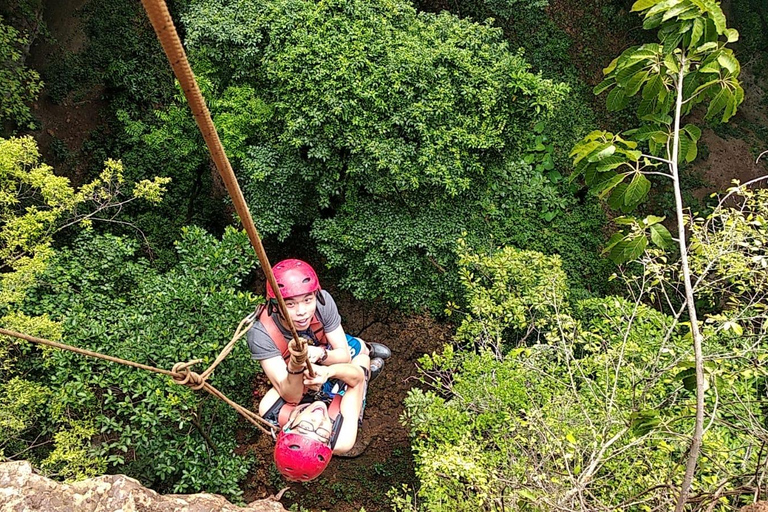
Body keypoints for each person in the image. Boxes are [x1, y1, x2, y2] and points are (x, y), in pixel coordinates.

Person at [247, 258, 391, 405]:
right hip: (294, 373)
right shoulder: (261, 334)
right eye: (290, 304)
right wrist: (296, 365)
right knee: (328, 394)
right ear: (275, 306)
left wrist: (321, 355)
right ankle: (362, 376)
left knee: (359, 348)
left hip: (322, 348)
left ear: (316, 296)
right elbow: (291, 395)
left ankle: (367, 349)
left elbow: (344, 355)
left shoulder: (323, 303)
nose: (301, 311)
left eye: (308, 300)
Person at [259, 354, 370, 481]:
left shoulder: (271, 407)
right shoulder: (342, 437)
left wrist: (304, 363)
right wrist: (329, 371)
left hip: (307, 385)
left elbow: (288, 376)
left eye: (305, 427)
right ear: (329, 439)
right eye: (322, 435)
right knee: (362, 357)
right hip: (338, 400)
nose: (318, 420)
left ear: (289, 425)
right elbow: (357, 380)